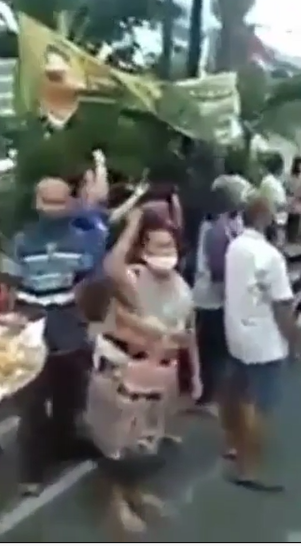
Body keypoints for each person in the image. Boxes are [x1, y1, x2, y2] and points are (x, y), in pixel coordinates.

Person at [0, 177, 105, 495]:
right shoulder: (20, 241)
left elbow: (90, 282)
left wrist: (88, 318)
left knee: (69, 395)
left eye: (61, 202)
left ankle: (64, 443)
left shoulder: (83, 240)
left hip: (69, 327)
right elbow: (8, 286)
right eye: (49, 202)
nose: (55, 209)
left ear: (71, 203)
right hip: (31, 327)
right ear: (36, 203)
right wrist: (8, 326)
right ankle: (30, 471)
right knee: (31, 403)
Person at [98, 209, 202, 531]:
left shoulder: (183, 288)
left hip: (161, 375)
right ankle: (118, 503)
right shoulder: (134, 278)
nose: (164, 254)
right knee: (120, 441)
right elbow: (111, 267)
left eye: (169, 247)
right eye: (156, 247)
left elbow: (190, 333)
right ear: (142, 251)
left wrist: (195, 374)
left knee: (146, 440)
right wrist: (132, 225)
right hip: (127, 372)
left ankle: (137, 492)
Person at [223, 194, 298, 492]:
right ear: (267, 218)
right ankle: (249, 469)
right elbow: (283, 306)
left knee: (237, 394)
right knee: (260, 406)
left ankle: (233, 445)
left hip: (237, 333)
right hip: (264, 341)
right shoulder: (270, 256)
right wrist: (294, 340)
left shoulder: (235, 247)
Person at [192, 185, 243, 416]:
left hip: (207, 297)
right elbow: (217, 268)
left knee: (209, 350)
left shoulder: (211, 225)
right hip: (213, 298)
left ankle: (207, 394)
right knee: (212, 351)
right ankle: (206, 397)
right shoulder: (217, 229)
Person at [259, 153, 288, 246]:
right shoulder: (270, 182)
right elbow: (277, 202)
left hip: (277, 222)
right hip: (275, 223)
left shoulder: (272, 181)